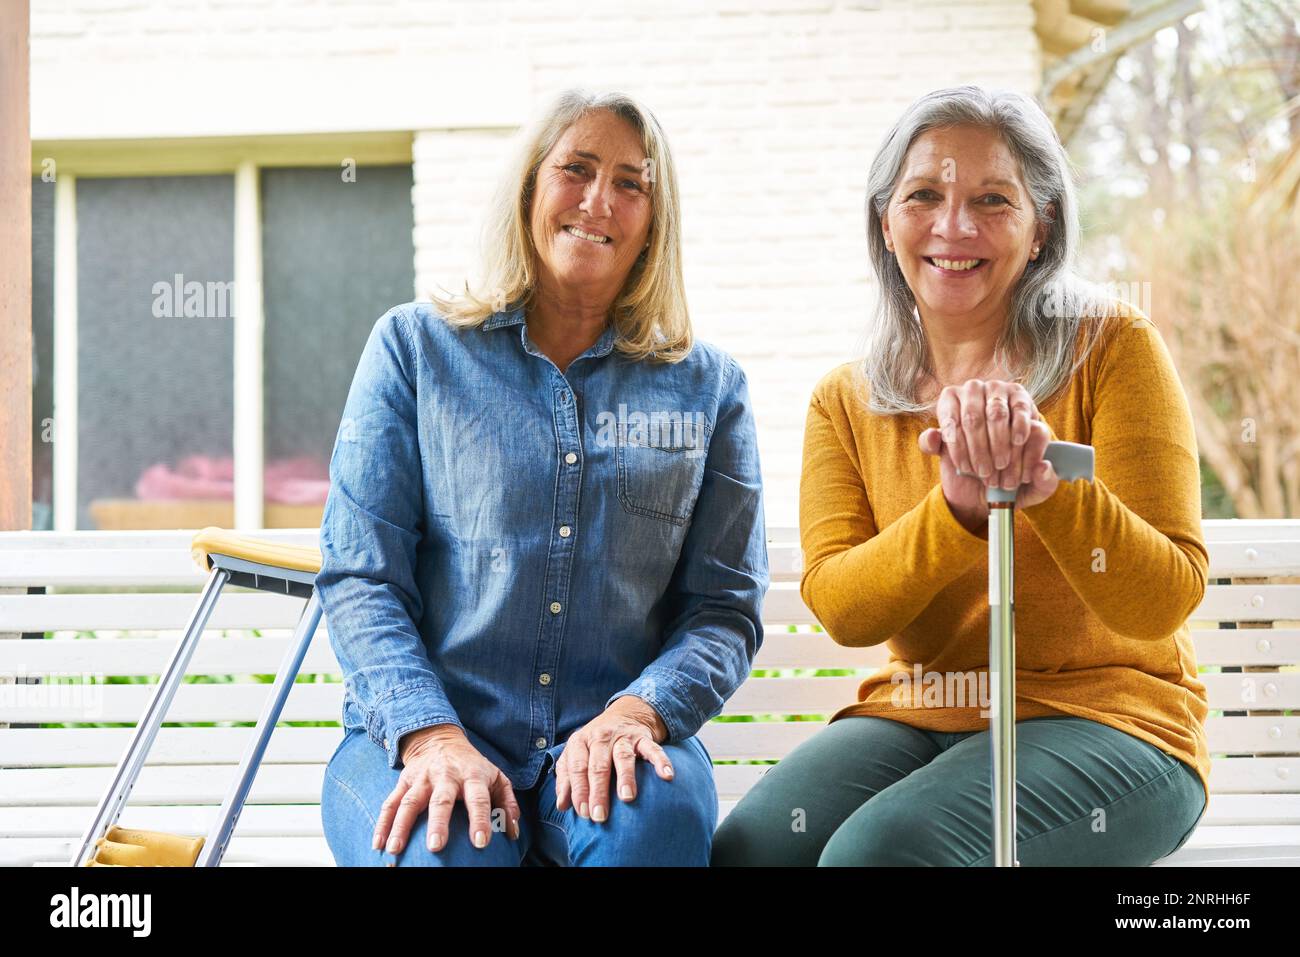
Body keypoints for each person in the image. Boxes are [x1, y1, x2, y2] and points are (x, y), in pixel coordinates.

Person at [711, 85, 1209, 867]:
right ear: (886, 222)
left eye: (992, 199)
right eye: (924, 196)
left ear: (1041, 226)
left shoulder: (1112, 348)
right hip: (927, 713)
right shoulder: (845, 401)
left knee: (881, 855)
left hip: (1116, 721)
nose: (954, 226)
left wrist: (1048, 488)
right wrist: (954, 514)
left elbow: (1164, 596)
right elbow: (844, 607)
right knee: (756, 848)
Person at [317, 89, 768, 866]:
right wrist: (431, 733)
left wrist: (639, 711)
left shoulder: (709, 389)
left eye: (632, 182)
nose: (600, 200)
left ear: (655, 218)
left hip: (620, 735)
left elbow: (724, 608)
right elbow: (363, 576)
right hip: (425, 728)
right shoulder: (413, 351)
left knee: (651, 834)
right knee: (446, 850)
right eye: (577, 169)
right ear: (530, 185)